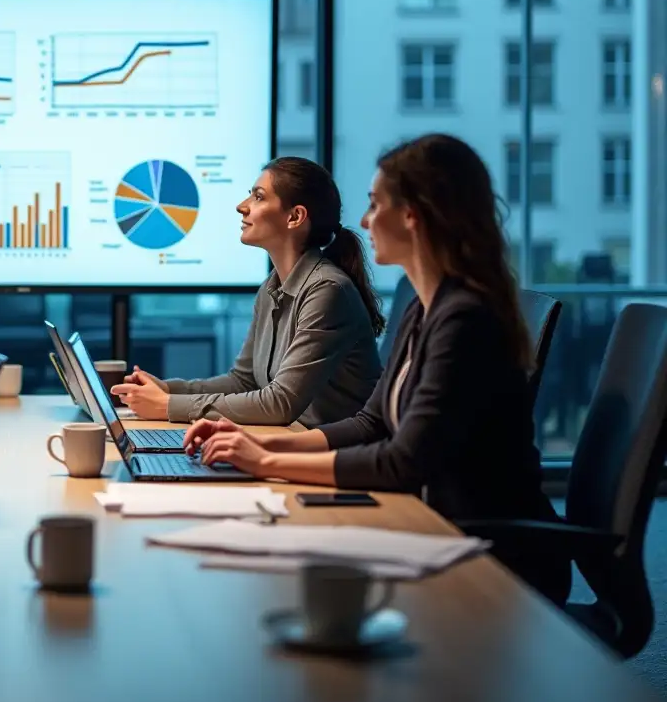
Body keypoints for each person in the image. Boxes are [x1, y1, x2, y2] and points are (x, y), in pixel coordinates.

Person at [183, 135, 570, 604]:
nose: (364, 221)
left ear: (412, 216)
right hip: (435, 527)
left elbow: (402, 462)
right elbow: (372, 423)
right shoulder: (426, 309)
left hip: (495, 555)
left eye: (374, 204)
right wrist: (257, 441)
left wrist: (265, 461)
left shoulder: (466, 321)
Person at [111, 157, 384, 428]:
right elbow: (244, 381)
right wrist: (169, 391)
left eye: (258, 197)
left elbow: (280, 404)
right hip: (294, 440)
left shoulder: (327, 290)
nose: (242, 207)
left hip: (335, 456)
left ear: (295, 217)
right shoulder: (272, 286)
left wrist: (168, 406)